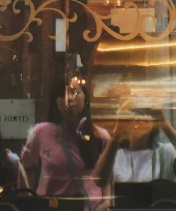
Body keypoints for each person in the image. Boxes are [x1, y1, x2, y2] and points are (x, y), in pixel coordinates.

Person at [22, 72, 111, 211]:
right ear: (56, 101)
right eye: (63, 94)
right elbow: (25, 170)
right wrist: (31, 201)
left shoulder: (101, 136)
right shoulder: (40, 133)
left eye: (76, 92)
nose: (69, 98)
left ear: (86, 97)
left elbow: (107, 196)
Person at [94, 108, 176, 186]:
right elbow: (100, 181)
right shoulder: (116, 155)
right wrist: (117, 132)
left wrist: (164, 124)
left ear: (153, 124)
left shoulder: (165, 152)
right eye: (132, 117)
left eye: (144, 115)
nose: (138, 120)